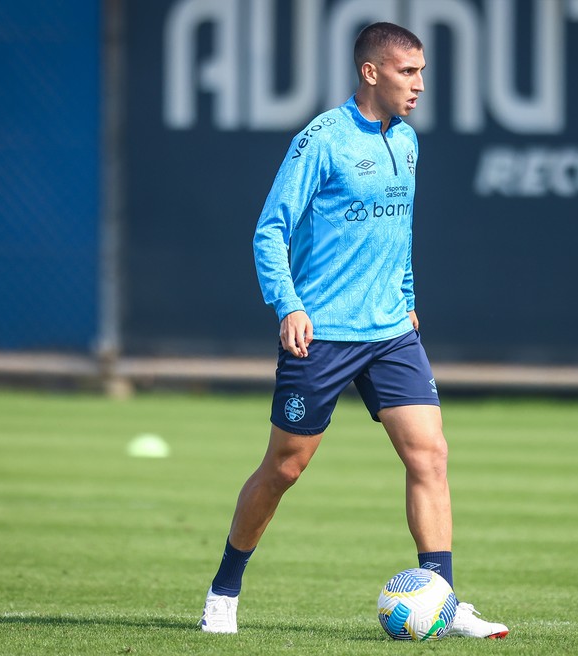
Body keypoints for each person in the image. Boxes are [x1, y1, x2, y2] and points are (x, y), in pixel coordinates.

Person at [199, 22, 509, 639]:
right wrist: (288, 306)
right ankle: (224, 589)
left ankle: (443, 600)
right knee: (285, 468)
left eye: (422, 71)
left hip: (391, 331)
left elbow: (399, 233)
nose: (419, 84)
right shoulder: (323, 139)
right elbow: (270, 230)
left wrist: (409, 297)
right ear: (371, 72)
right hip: (325, 333)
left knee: (430, 454)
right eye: (407, 72)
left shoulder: (409, 141)